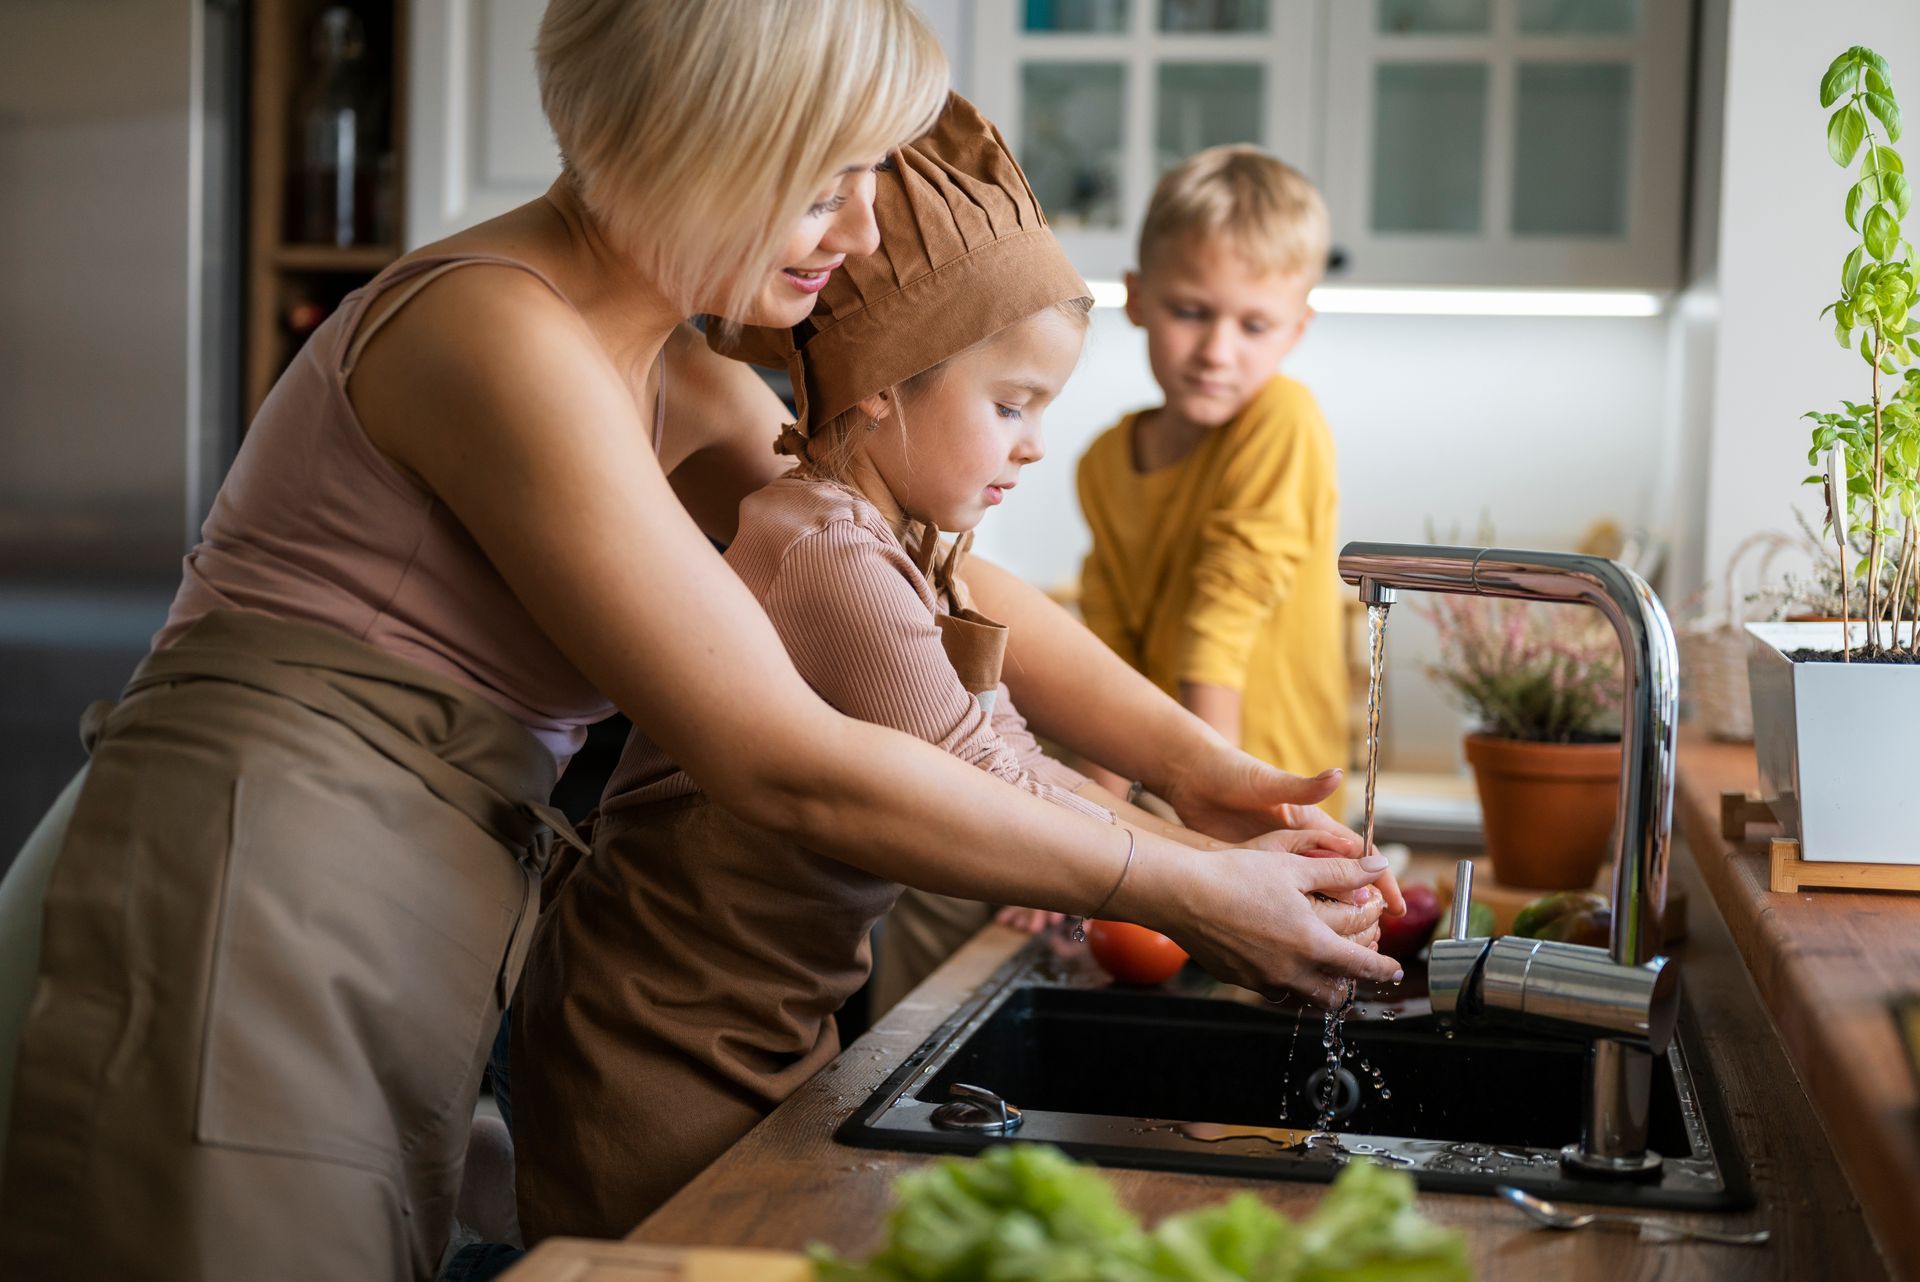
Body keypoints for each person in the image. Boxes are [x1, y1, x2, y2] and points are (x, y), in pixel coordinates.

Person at [0, 5, 1397, 1278]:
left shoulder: (671, 368)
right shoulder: (497, 331)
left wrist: (1204, 769)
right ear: (696, 141)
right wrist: (1181, 882)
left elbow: (936, 579)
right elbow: (787, 762)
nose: (854, 230)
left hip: (388, 903)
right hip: (251, 891)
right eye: (822, 177)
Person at [506, 97, 1389, 1242]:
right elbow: (981, 766)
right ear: (883, 388)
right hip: (652, 1038)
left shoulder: (898, 543)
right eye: (1011, 405)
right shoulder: (822, 547)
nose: (1033, 443)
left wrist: (1215, 837)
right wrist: (1213, 874)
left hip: (756, 1019)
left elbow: (1005, 745)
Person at [1077, 146, 1351, 819]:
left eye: (1254, 325)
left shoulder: (1282, 420)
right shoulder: (1104, 463)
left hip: (1277, 804)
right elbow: (1111, 665)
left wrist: (1234, 818)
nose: (1217, 351)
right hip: (1182, 801)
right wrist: (1089, 822)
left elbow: (1219, 621)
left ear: (1296, 330)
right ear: (1137, 299)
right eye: (1191, 312)